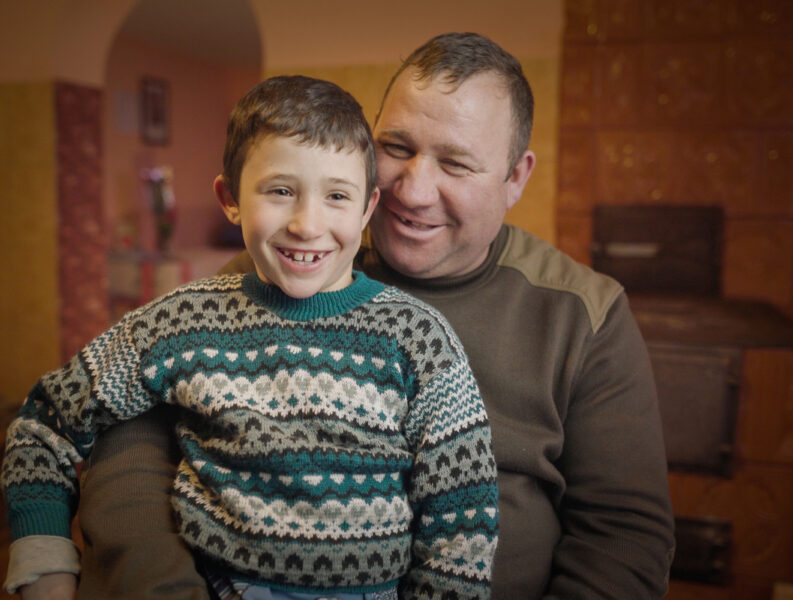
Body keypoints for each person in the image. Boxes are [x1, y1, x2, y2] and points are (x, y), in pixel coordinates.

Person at [76, 32, 675, 599]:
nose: (413, 191)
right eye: (396, 148)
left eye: (456, 164)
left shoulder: (583, 314)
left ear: (515, 177)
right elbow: (132, 441)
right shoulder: (289, 261)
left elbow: (623, 536)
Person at [2, 75, 499, 600]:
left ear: (367, 208)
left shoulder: (418, 337)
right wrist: (44, 556)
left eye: (337, 195)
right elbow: (45, 422)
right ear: (230, 198)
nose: (308, 224)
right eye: (281, 191)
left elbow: (462, 518)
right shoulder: (182, 323)